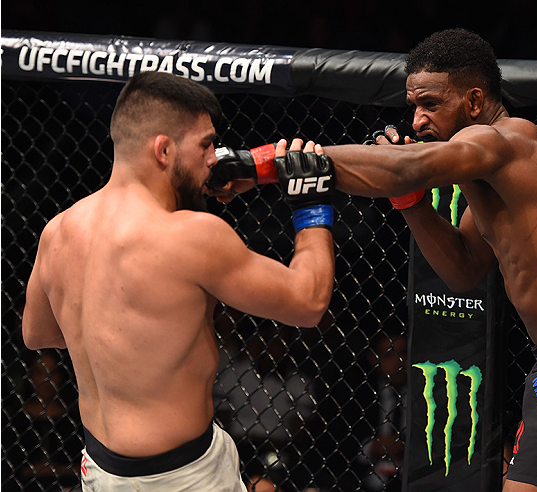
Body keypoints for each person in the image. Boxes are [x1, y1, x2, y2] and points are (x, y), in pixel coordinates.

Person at [209, 28, 537, 492]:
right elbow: (464, 269)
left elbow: (412, 165)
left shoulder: (507, 141)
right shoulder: (493, 176)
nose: (418, 119)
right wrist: (411, 201)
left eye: (430, 104)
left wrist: (265, 164)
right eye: (413, 106)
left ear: (473, 101)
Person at [22, 71, 335, 491]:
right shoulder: (191, 236)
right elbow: (309, 301)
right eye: (206, 144)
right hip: (184, 478)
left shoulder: (58, 232)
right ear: (164, 149)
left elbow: (37, 333)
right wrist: (311, 204)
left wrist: (113, 335)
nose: (215, 157)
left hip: (98, 470)